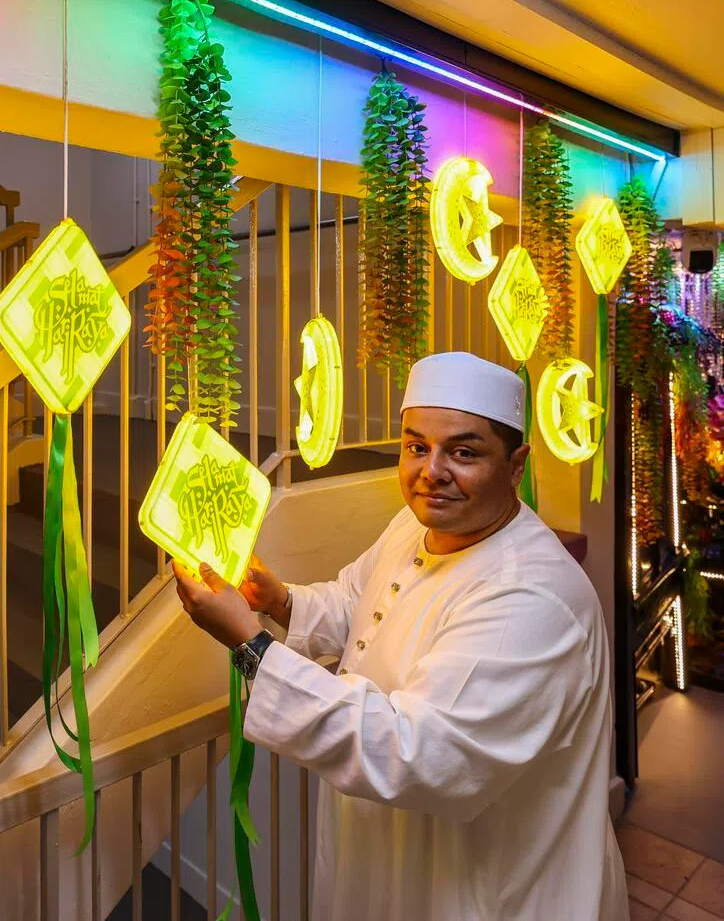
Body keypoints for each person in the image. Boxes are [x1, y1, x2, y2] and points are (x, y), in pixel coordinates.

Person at [173, 351, 629, 920]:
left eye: (463, 452)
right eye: (416, 446)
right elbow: (355, 604)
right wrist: (278, 600)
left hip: (493, 893)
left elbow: (418, 753)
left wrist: (249, 645)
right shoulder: (414, 523)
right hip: (387, 865)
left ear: (516, 467)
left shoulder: (531, 599)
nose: (431, 471)